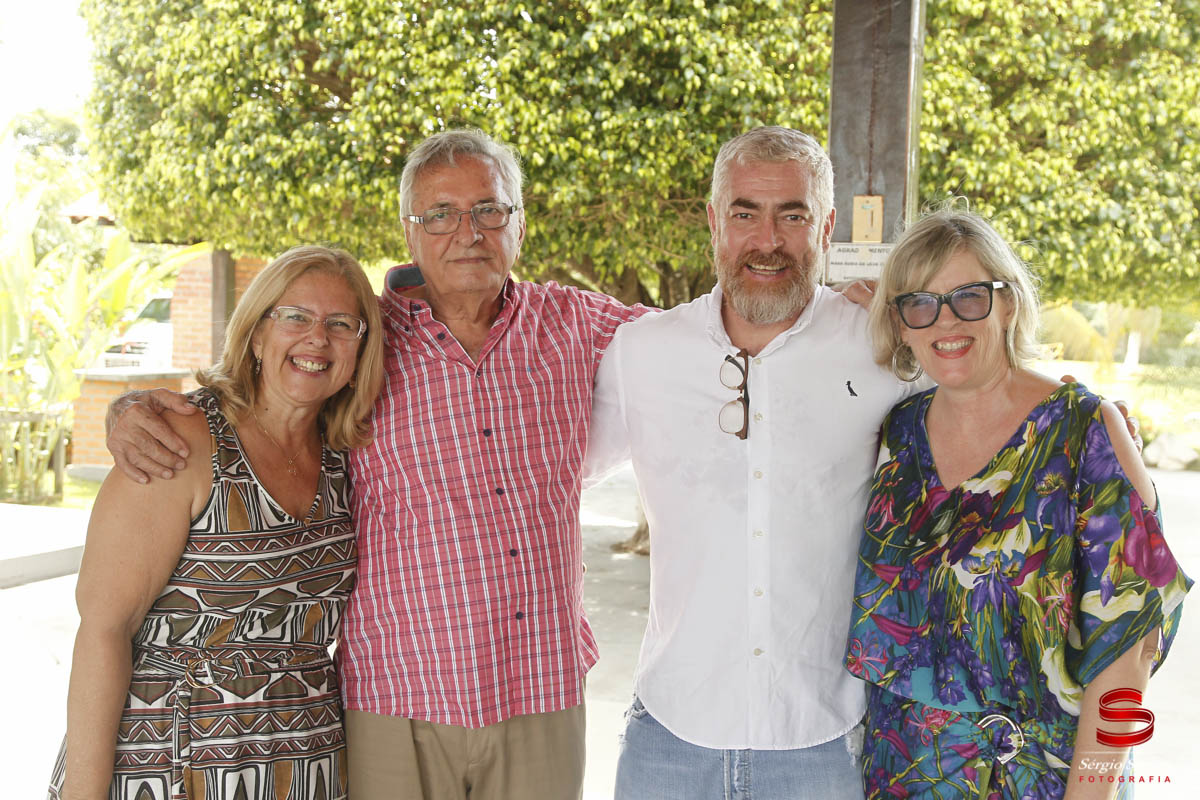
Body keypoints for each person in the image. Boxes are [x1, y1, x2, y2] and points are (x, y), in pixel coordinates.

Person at [104, 129, 649, 800]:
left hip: (539, 685)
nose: (467, 232)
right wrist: (140, 408)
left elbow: (704, 348)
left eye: (488, 209)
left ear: (519, 221)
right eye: (440, 215)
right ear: (410, 231)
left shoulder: (577, 324)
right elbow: (266, 398)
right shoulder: (363, 341)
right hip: (395, 696)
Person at [584, 126, 911, 799]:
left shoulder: (884, 346)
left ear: (824, 227)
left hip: (823, 740)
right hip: (670, 737)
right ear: (714, 222)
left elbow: (996, 417)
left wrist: (1099, 423)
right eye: (745, 213)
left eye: (792, 215)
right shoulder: (642, 352)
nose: (768, 240)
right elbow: (548, 473)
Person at [844, 210, 1191, 800]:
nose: (946, 321)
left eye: (968, 297)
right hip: (898, 775)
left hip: (1040, 783)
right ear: (901, 324)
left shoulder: (1086, 431)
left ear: (1007, 304)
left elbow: (1127, 654)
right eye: (921, 303)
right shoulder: (896, 435)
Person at [48, 245, 385, 800]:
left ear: (358, 351)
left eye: (341, 324)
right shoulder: (180, 440)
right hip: (171, 763)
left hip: (305, 764)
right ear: (256, 334)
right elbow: (104, 629)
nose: (317, 339)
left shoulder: (343, 456)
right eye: (295, 317)